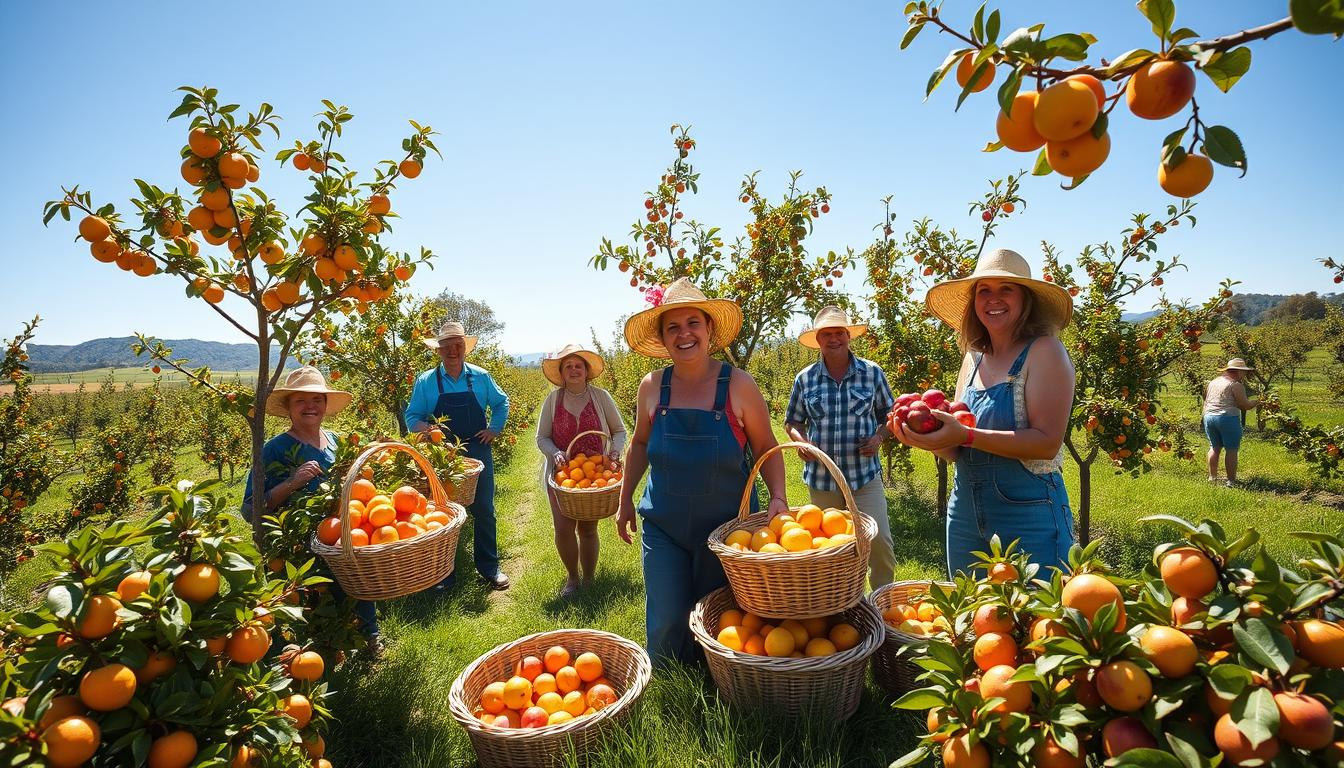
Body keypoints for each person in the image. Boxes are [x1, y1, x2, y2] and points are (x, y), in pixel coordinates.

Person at [616, 278, 788, 667]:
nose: (685, 334)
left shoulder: (738, 385)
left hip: (728, 528)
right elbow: (640, 444)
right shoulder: (651, 387)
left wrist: (778, 496)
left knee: (720, 618)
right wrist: (625, 500)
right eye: (673, 327)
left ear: (709, 330)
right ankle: (669, 689)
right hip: (664, 524)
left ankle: (721, 685)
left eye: (693, 323)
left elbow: (767, 448)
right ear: (662, 338)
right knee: (665, 618)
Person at [892, 249, 1076, 578]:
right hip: (965, 513)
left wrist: (967, 435)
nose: (994, 298)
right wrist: (926, 438)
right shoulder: (973, 359)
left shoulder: (1045, 350)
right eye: (984, 290)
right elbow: (957, 451)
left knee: (1036, 621)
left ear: (1026, 299)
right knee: (974, 621)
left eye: (1006, 288)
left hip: (1028, 512)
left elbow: (1047, 443)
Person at [241, 366, 380, 647]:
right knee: (310, 603)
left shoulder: (339, 443)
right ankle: (314, 653)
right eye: (301, 400)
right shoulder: (273, 450)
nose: (310, 406)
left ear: (325, 405)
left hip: (343, 539)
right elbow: (249, 510)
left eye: (317, 399)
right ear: (289, 407)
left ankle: (368, 638)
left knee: (356, 586)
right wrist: (291, 482)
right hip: (297, 548)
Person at [784, 305, 898, 589]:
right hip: (823, 481)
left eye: (839, 333)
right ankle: (838, 606)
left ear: (848, 336)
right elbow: (792, 421)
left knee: (880, 542)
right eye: (827, 334)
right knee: (827, 550)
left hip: (863, 477)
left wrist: (879, 437)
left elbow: (891, 415)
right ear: (818, 340)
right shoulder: (805, 378)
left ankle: (882, 606)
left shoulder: (872, 374)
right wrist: (802, 442)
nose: (834, 339)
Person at [405, 321, 511, 590]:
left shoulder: (481, 376)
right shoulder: (426, 381)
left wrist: (494, 429)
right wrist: (428, 430)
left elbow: (501, 403)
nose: (453, 351)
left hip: (477, 449)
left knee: (484, 509)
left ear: (465, 348)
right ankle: (443, 574)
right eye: (447, 347)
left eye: (458, 346)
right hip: (443, 456)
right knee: (443, 512)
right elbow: (412, 417)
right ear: (438, 351)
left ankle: (489, 567)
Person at [536, 343, 627, 598]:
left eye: (578, 366)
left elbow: (619, 430)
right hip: (563, 477)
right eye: (568, 366)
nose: (574, 370)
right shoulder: (552, 401)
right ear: (562, 373)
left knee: (588, 529)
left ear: (586, 371)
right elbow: (541, 437)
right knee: (563, 528)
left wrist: (615, 452)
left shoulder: (602, 397)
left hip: (595, 474)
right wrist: (554, 453)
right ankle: (572, 578)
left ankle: (588, 579)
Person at [1204, 358, 1261, 486]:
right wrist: (1258, 401)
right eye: (1244, 372)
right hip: (1227, 418)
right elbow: (1244, 405)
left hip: (1209, 417)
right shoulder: (1235, 385)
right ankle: (1231, 481)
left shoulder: (1213, 382)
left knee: (1214, 447)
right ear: (1239, 371)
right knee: (1231, 449)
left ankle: (1212, 478)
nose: (1245, 375)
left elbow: (1206, 400)